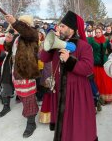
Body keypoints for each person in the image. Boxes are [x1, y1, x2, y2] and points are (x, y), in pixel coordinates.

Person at [40, 10, 98, 141]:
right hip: (60, 89)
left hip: (77, 91)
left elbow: (88, 68)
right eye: (60, 25)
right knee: (63, 124)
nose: (59, 28)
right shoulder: (56, 43)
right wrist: (48, 44)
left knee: (77, 124)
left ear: (72, 29)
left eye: (62, 26)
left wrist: (69, 60)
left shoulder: (84, 46)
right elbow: (43, 58)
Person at [4, 14, 40, 138]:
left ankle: (31, 123)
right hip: (17, 72)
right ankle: (29, 114)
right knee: (23, 97)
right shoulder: (18, 37)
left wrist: (15, 22)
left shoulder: (32, 34)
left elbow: (27, 32)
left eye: (22, 23)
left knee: (29, 98)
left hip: (27, 72)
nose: (19, 25)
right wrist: (8, 42)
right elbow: (11, 50)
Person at [87, 27, 112, 103]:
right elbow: (84, 43)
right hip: (95, 61)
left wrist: (110, 58)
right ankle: (97, 97)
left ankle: (105, 97)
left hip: (104, 62)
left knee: (105, 80)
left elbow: (110, 50)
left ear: (102, 32)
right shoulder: (91, 40)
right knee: (96, 79)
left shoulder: (106, 40)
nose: (98, 34)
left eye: (99, 32)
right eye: (96, 32)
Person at [0, 29, 18, 118]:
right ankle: (6, 106)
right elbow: (7, 49)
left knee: (23, 84)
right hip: (9, 63)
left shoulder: (25, 36)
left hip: (21, 63)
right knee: (6, 83)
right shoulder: (12, 34)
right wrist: (8, 41)